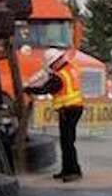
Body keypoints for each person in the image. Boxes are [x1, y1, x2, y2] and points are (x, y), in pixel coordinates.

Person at [24, 48, 85, 182]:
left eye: (51, 65)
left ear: (55, 62)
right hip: (75, 108)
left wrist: (28, 89)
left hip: (68, 110)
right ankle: (67, 170)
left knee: (67, 142)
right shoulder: (70, 69)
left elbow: (45, 89)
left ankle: (73, 171)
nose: (51, 68)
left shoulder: (59, 77)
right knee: (67, 141)